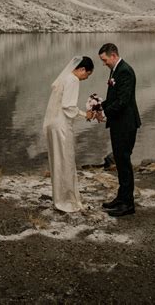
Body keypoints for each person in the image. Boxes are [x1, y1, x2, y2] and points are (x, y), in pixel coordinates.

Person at [43, 55, 94, 212]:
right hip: (62, 126)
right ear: (82, 69)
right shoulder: (73, 80)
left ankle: (60, 198)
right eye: (87, 74)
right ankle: (66, 201)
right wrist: (86, 114)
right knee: (66, 162)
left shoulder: (64, 78)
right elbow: (68, 106)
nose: (86, 78)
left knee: (57, 162)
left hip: (53, 124)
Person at [98, 43, 141, 217]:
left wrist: (103, 112)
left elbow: (123, 101)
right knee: (120, 161)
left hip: (126, 124)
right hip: (118, 123)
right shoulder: (116, 70)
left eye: (104, 60)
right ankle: (121, 198)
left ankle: (128, 204)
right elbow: (113, 97)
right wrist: (99, 106)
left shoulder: (125, 71)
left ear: (113, 55)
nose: (104, 63)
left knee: (124, 162)